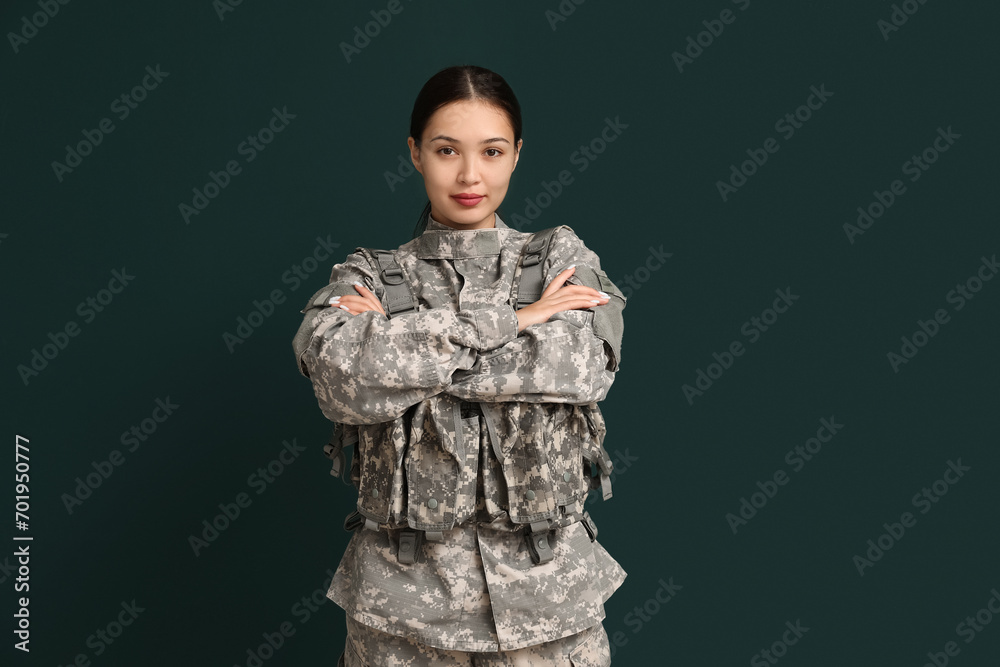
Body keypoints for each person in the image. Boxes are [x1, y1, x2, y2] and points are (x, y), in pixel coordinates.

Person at [292, 64, 628, 666]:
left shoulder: (561, 257)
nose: (470, 175)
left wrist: (402, 352)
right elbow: (339, 379)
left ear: (517, 154)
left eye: (492, 151)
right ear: (415, 153)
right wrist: (516, 321)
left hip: (549, 610)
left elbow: (581, 366)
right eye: (447, 150)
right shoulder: (367, 274)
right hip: (404, 618)